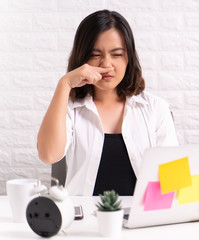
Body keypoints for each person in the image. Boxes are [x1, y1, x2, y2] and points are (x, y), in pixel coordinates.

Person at [37, 10, 178, 196]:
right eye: (95, 54)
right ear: (82, 58)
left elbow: (173, 180)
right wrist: (64, 84)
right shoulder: (70, 109)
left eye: (117, 54)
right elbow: (48, 155)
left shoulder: (155, 108)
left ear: (129, 58)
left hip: (142, 220)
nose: (106, 64)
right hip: (85, 219)